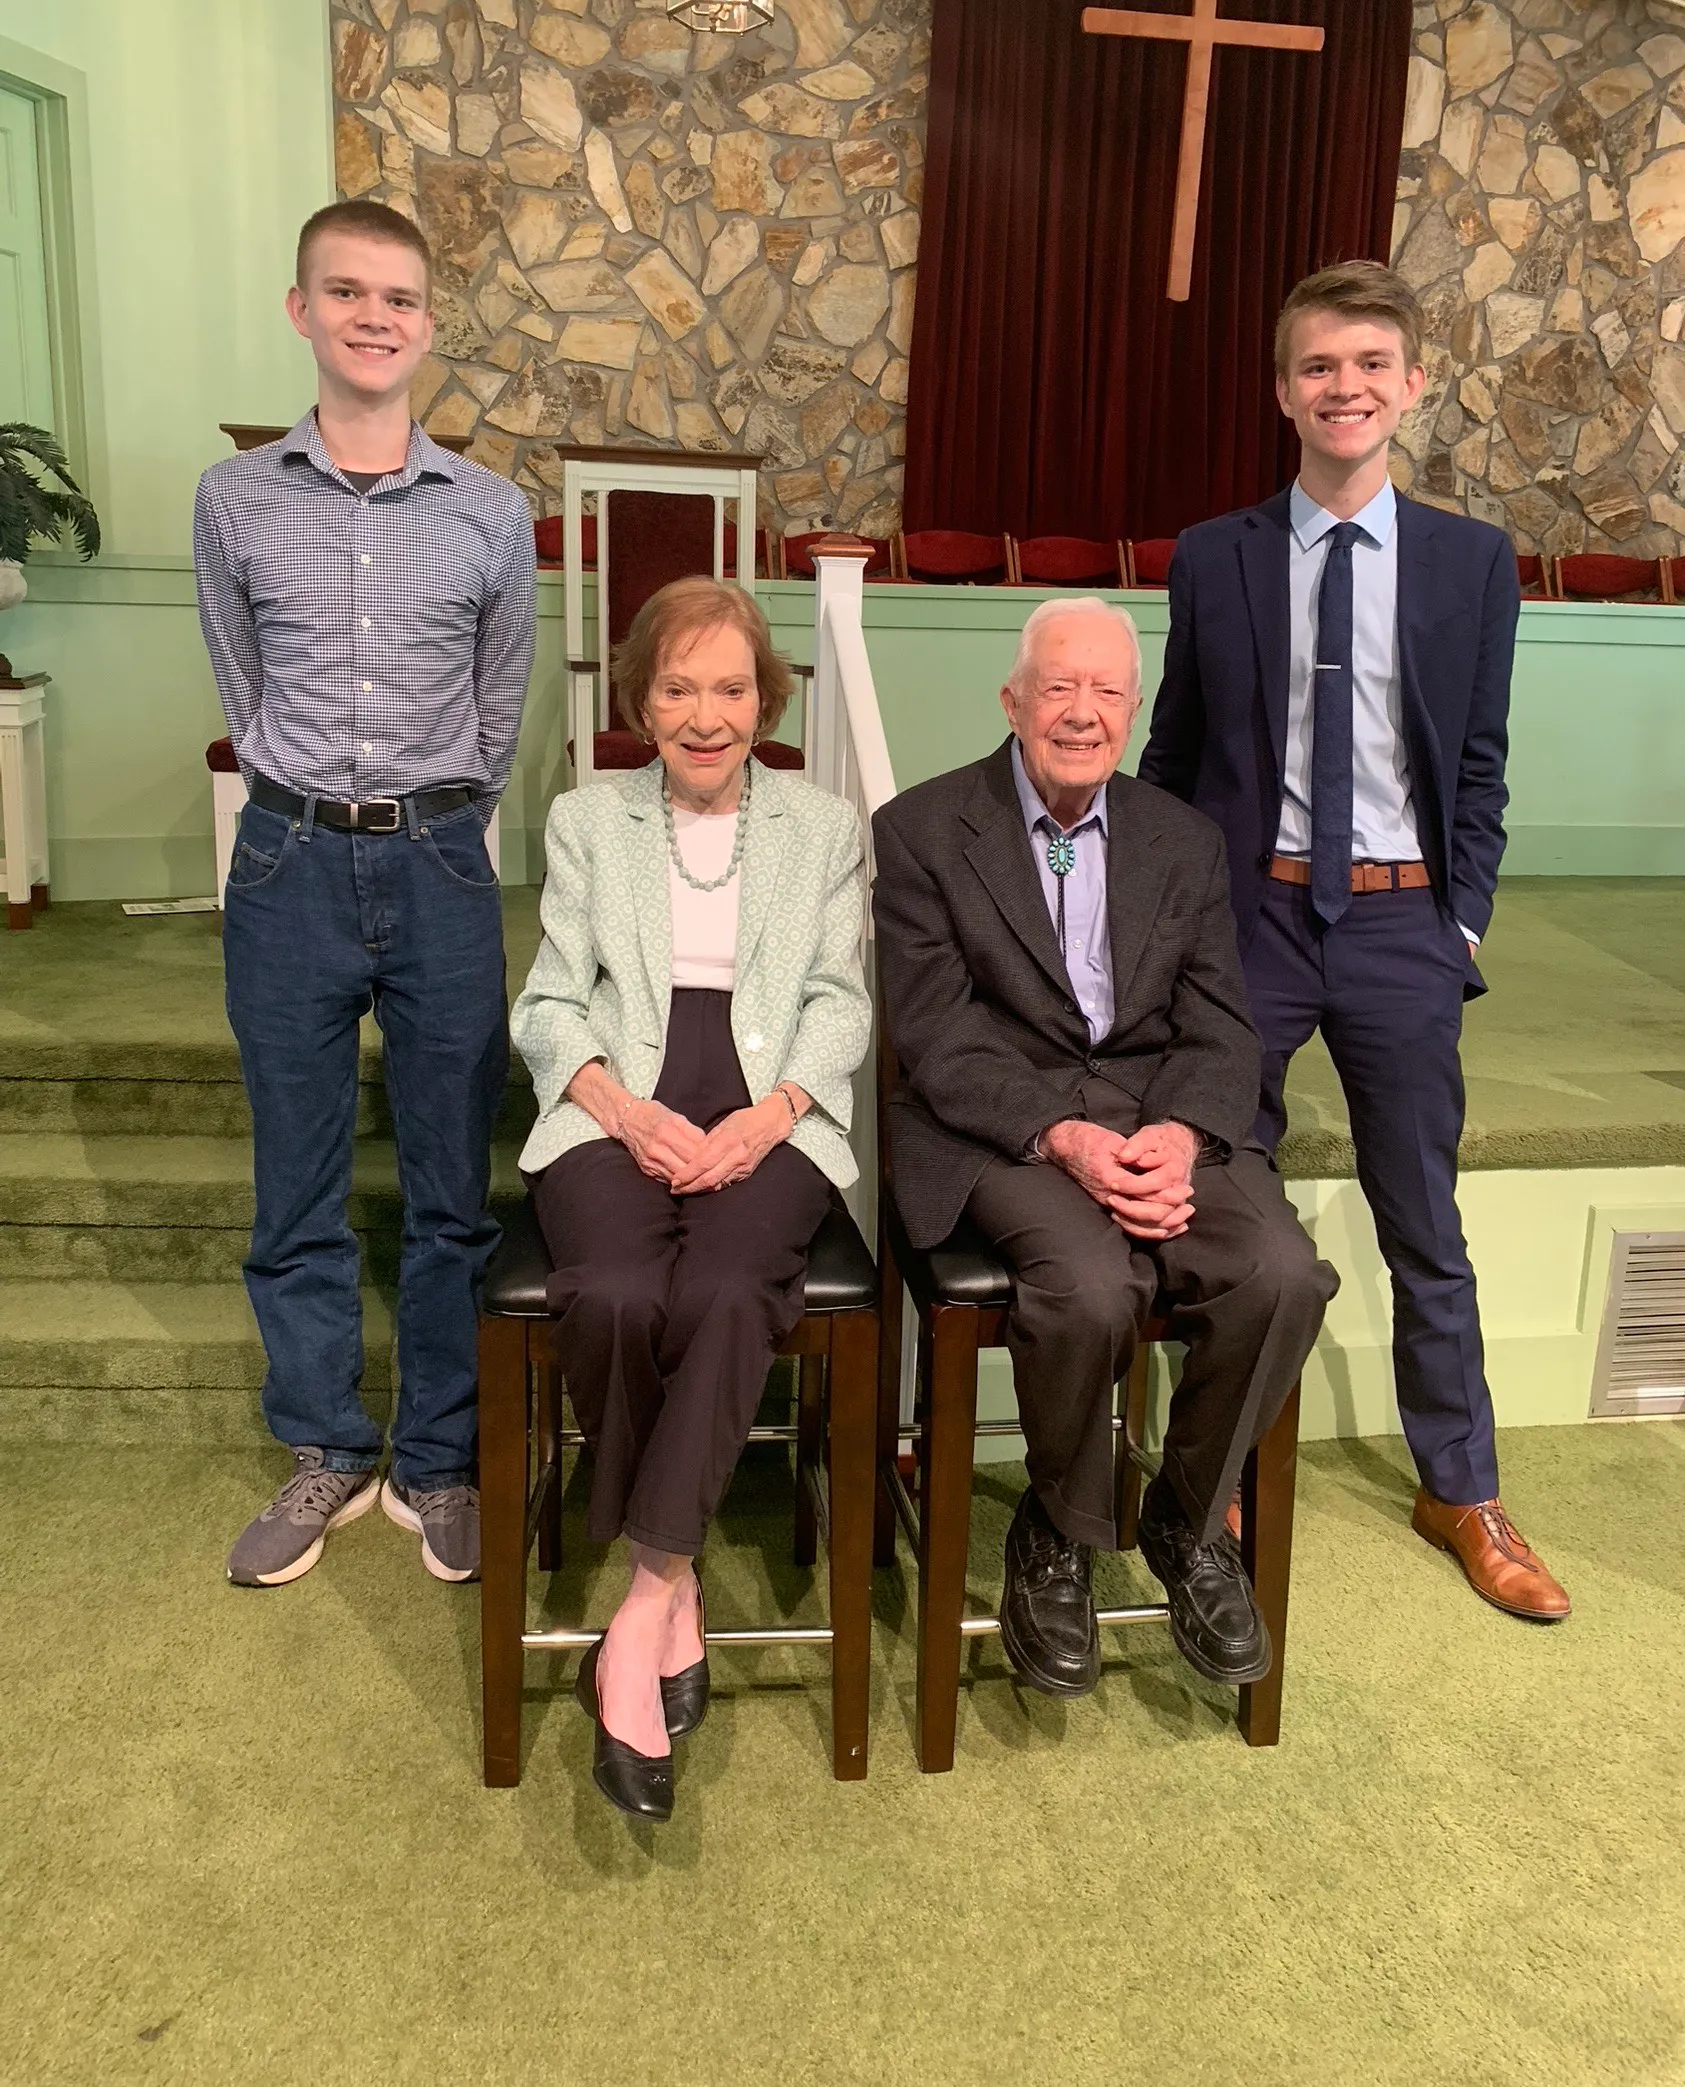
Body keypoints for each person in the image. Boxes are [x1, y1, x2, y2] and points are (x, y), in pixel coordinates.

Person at [1138, 258, 1569, 1621]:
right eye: (1318, 365)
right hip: (1249, 919)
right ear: (1283, 389)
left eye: (1370, 363)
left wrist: (1458, 923)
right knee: (1218, 1197)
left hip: (1400, 923)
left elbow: (1480, 764)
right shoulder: (1213, 555)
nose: (1345, 386)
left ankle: (1462, 1486)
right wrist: (1164, 922)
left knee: (1423, 1221)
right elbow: (1174, 753)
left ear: (1411, 383)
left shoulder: (1471, 562)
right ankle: (1213, 1475)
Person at [872, 597, 1336, 1701]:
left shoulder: (1181, 838)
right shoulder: (921, 828)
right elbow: (935, 1035)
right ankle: (1060, 1527)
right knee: (1087, 1287)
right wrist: (1066, 1137)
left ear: (1132, 710)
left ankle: (1184, 1519)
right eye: (1058, 688)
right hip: (1004, 1124)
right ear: (1012, 701)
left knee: (1280, 1274)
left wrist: (1177, 1135)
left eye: (1106, 692)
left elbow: (1221, 1021)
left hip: (1157, 1112)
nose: (1081, 713)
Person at [196, 201, 535, 1593]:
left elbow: (499, 705)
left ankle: (439, 1457)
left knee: (456, 1189)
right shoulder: (234, 500)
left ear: (428, 323)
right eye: (347, 292)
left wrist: (424, 817)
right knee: (299, 1182)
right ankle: (328, 1443)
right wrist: (319, 806)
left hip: (440, 859)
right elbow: (243, 688)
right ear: (303, 310)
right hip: (287, 863)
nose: (374, 317)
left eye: (398, 297)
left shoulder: (491, 512)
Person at [511, 577, 870, 1822]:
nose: (704, 717)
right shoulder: (586, 819)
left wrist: (773, 1116)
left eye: (729, 689)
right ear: (640, 702)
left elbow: (838, 1002)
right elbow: (549, 1003)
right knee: (612, 1291)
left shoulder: (821, 826)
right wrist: (618, 1107)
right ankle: (676, 1583)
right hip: (618, 1097)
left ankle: (646, 1600)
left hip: (771, 1104)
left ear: (765, 701)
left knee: (723, 1286)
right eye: (676, 689)